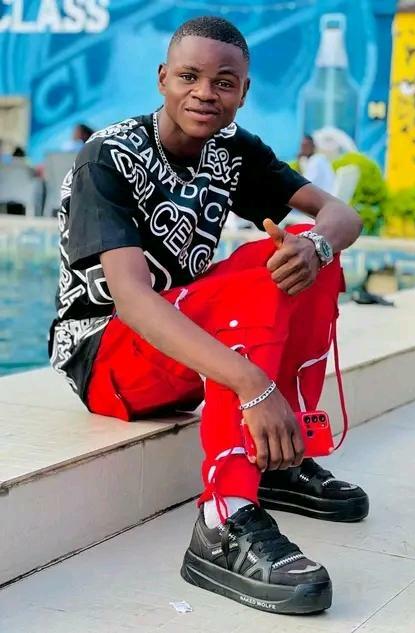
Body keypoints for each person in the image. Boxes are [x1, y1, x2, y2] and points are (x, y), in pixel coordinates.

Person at [49, 16, 368, 615]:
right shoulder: (107, 157)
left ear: (243, 92)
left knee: (300, 256)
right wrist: (252, 383)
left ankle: (278, 460)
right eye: (189, 77)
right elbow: (132, 301)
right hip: (108, 357)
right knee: (254, 284)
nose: (205, 93)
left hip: (183, 340)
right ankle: (224, 519)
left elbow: (341, 215)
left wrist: (318, 247)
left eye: (224, 82)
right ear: (162, 78)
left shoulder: (232, 150)